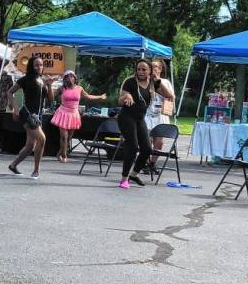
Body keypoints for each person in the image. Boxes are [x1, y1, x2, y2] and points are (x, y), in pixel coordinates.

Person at [117, 59, 175, 189]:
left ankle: (134, 174)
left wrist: (157, 80)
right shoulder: (130, 81)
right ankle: (124, 179)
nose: (141, 72)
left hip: (140, 119)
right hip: (126, 118)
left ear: (150, 71)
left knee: (147, 149)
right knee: (132, 146)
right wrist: (127, 97)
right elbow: (120, 100)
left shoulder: (153, 83)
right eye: (138, 69)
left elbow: (169, 96)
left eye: (144, 69)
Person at [6, 57, 56, 179]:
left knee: (30, 146)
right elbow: (9, 92)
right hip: (27, 115)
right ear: (31, 66)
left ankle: (13, 165)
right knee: (42, 139)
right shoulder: (26, 79)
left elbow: (51, 100)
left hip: (38, 116)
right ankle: (36, 170)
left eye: (41, 65)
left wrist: (49, 86)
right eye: (36, 65)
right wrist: (15, 108)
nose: (39, 67)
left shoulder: (43, 81)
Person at [50, 70, 106, 163]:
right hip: (63, 112)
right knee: (63, 136)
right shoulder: (62, 88)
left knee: (69, 137)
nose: (69, 78)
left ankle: (59, 153)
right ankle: (64, 155)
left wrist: (100, 96)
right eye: (67, 77)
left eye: (71, 76)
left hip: (74, 114)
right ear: (64, 79)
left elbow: (88, 96)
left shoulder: (79, 88)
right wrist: (49, 85)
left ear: (75, 78)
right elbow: (51, 96)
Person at [143, 59, 175, 174]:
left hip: (160, 115)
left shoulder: (165, 82)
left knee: (159, 142)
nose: (153, 69)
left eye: (155, 67)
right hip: (147, 114)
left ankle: (152, 163)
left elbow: (170, 96)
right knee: (147, 141)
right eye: (151, 67)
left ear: (160, 69)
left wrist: (158, 81)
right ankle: (144, 163)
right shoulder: (145, 81)